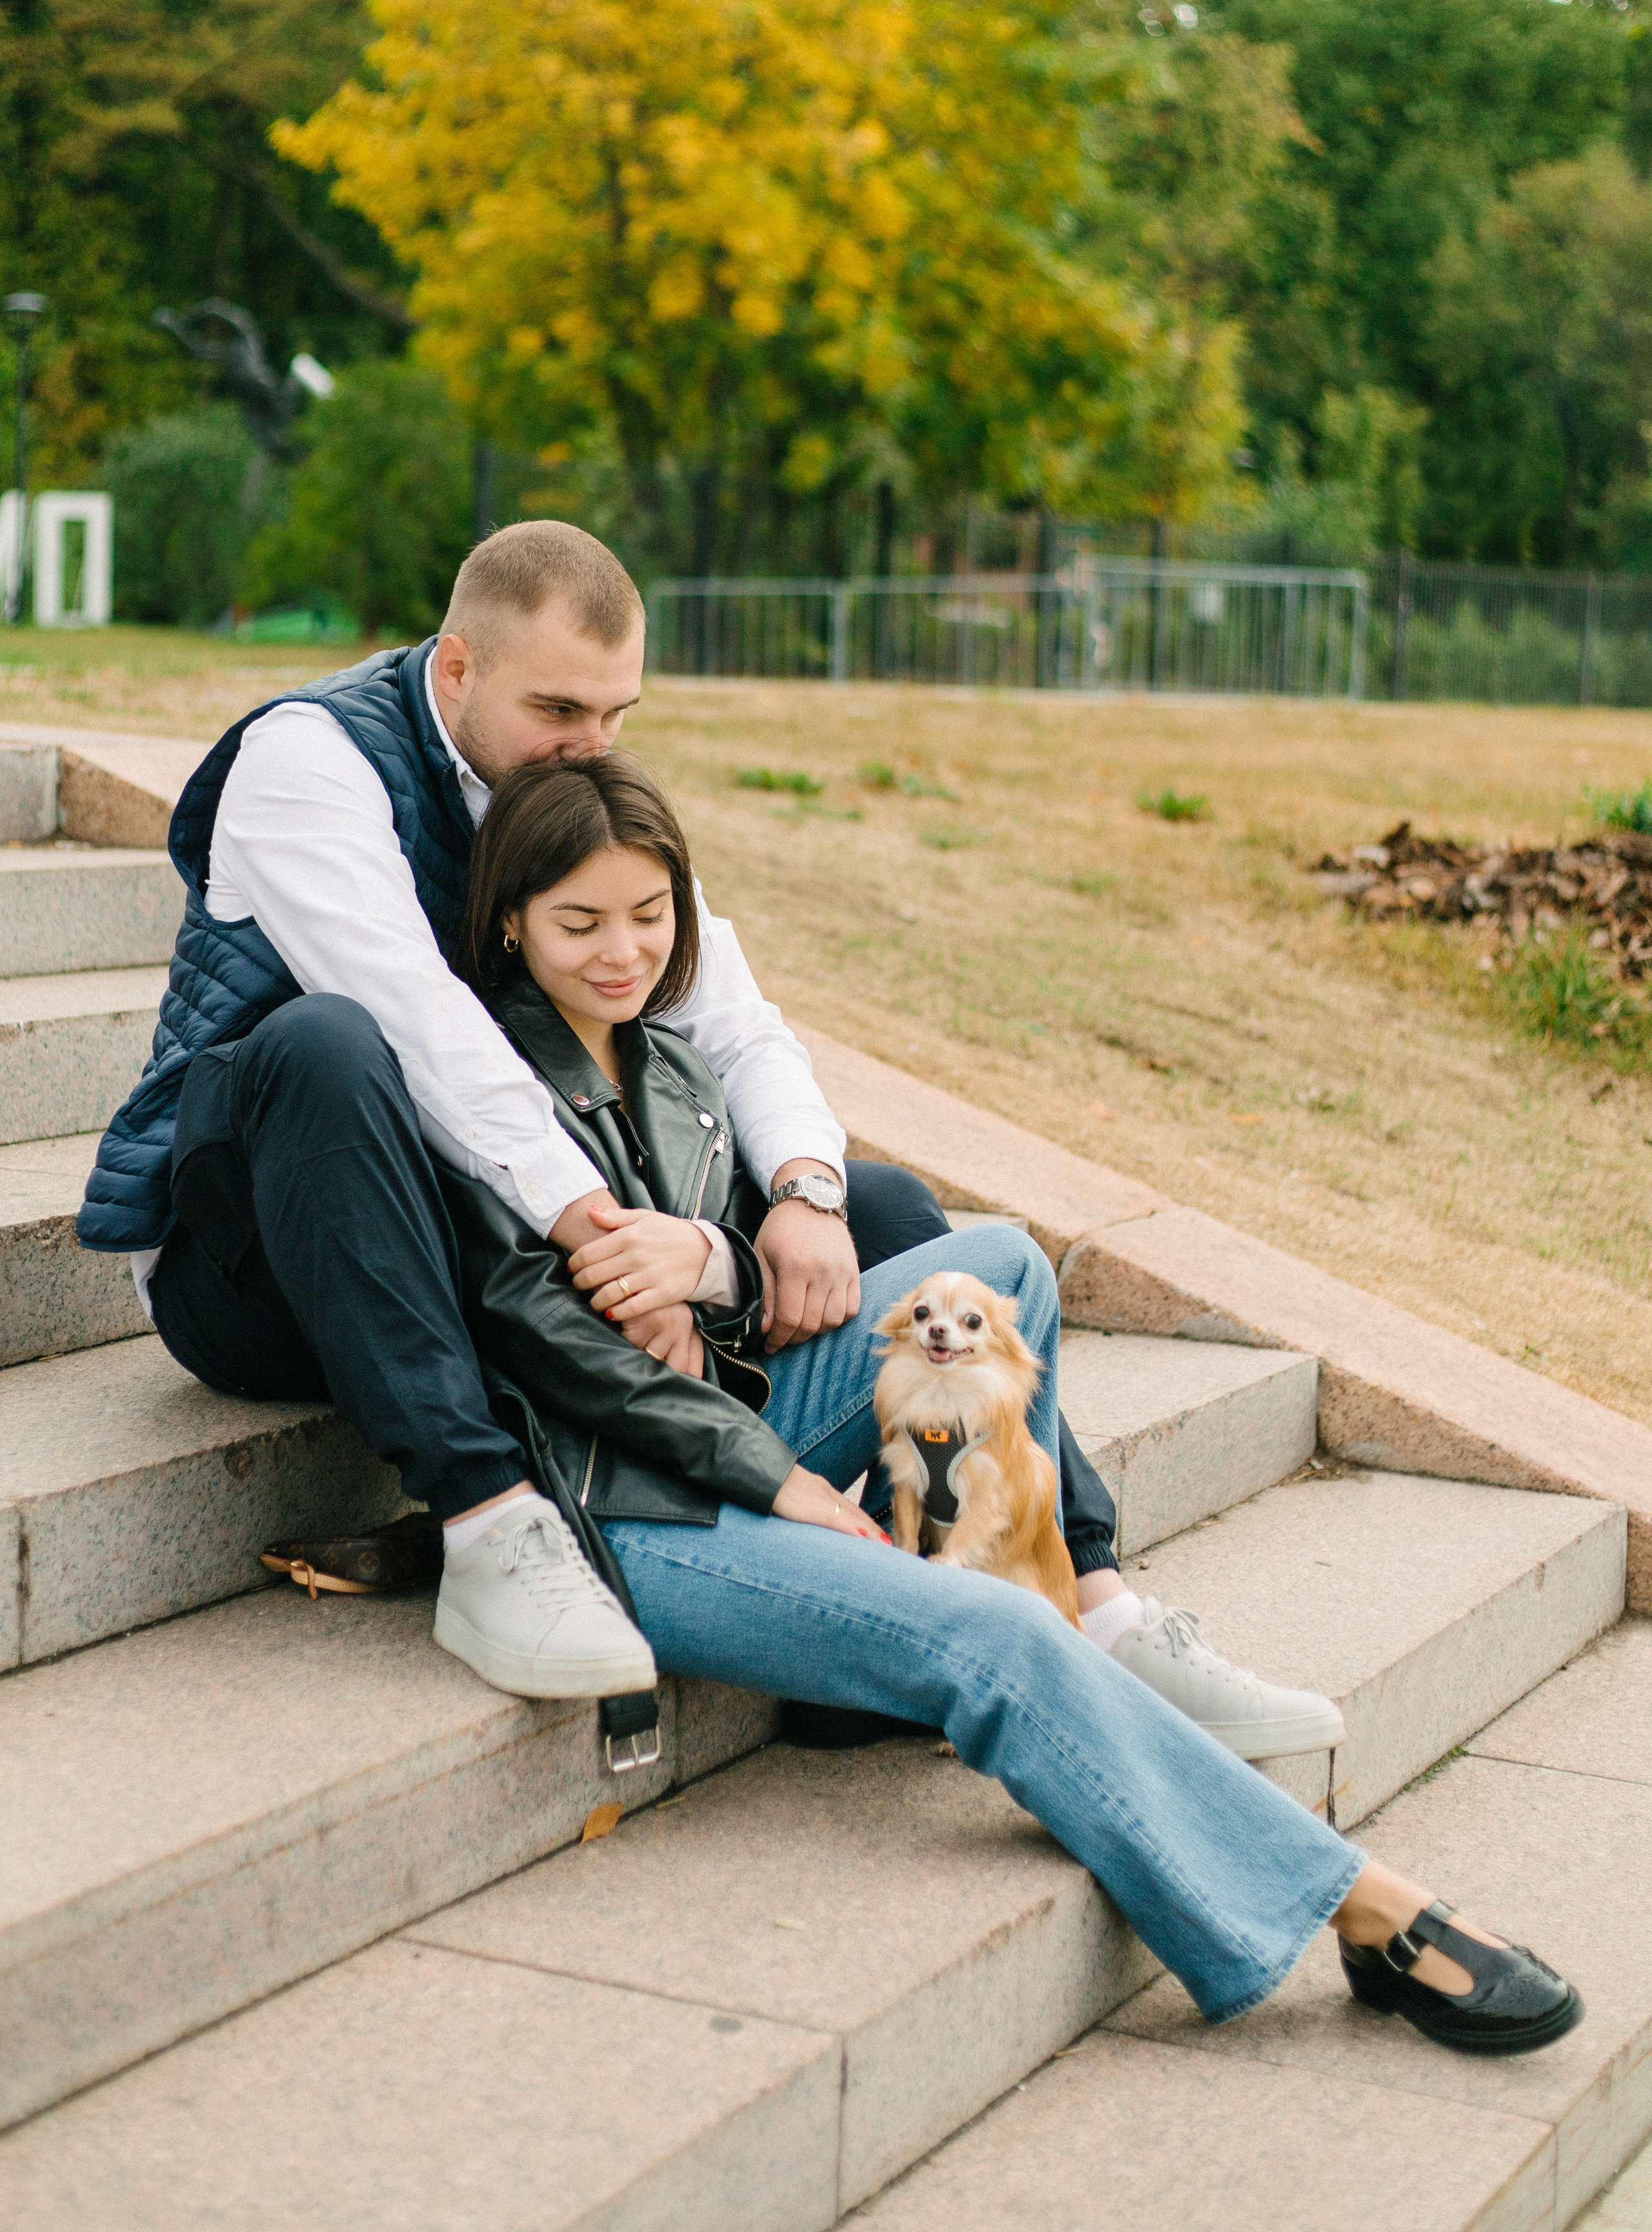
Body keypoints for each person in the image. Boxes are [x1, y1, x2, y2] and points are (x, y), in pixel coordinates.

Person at [77, 519, 1332, 1745]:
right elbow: (422, 1034)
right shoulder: (309, 761)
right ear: (457, 669)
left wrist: (800, 1194)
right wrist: (618, 1247)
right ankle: (488, 1519)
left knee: (884, 1215)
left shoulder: (561, 795)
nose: (589, 747)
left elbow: (729, 1016)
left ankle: (1056, 1594)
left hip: (497, 1248)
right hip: (277, 1262)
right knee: (328, 1041)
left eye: (618, 716)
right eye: (560, 713)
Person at [427, 744, 1580, 2053]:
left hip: (716, 1419)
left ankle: (980, 1633)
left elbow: (718, 1290)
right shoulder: (474, 1084)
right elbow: (543, 1343)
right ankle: (1358, 1908)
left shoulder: (671, 1069)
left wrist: (724, 1271)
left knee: (993, 1267)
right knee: (998, 1639)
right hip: (624, 1511)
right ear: (509, 919)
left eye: (650, 915)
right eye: (578, 923)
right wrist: (772, 1473)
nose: (622, 951)